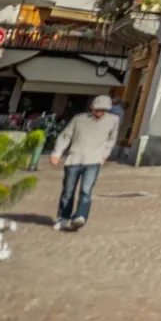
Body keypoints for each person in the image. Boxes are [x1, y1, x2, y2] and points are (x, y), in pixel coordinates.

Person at [50, 94, 120, 231]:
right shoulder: (79, 119)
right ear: (92, 107)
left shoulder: (113, 120)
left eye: (103, 110)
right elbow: (66, 136)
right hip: (74, 159)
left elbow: (111, 140)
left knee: (86, 191)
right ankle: (63, 218)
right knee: (68, 191)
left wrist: (104, 155)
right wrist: (57, 153)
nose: (99, 113)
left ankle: (80, 217)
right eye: (97, 109)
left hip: (94, 161)